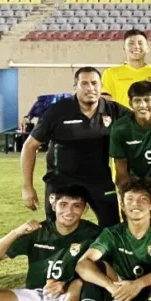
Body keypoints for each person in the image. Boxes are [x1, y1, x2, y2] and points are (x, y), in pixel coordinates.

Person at [20, 66, 127, 227]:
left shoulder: (113, 110)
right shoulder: (58, 111)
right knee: (58, 230)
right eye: (84, 84)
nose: (90, 88)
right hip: (61, 180)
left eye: (94, 83)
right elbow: (30, 146)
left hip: (99, 180)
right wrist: (27, 187)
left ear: (101, 86)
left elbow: (141, 123)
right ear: (75, 87)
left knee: (113, 228)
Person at [109, 80, 151, 192]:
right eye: (137, 101)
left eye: (147, 100)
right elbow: (121, 166)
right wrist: (129, 193)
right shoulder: (120, 128)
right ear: (130, 103)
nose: (143, 105)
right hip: (136, 181)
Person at [100, 29, 151, 106]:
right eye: (131, 43)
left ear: (147, 48)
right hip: (123, 117)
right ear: (124, 48)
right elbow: (104, 100)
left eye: (140, 43)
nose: (136, 46)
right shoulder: (111, 73)